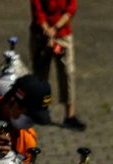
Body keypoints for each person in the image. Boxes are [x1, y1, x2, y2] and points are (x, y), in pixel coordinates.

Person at [30, 0, 85, 130]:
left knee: (67, 73)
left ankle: (70, 115)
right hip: (40, 34)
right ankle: (40, 110)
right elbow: (38, 10)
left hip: (62, 34)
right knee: (40, 75)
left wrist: (55, 28)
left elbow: (71, 8)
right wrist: (46, 30)